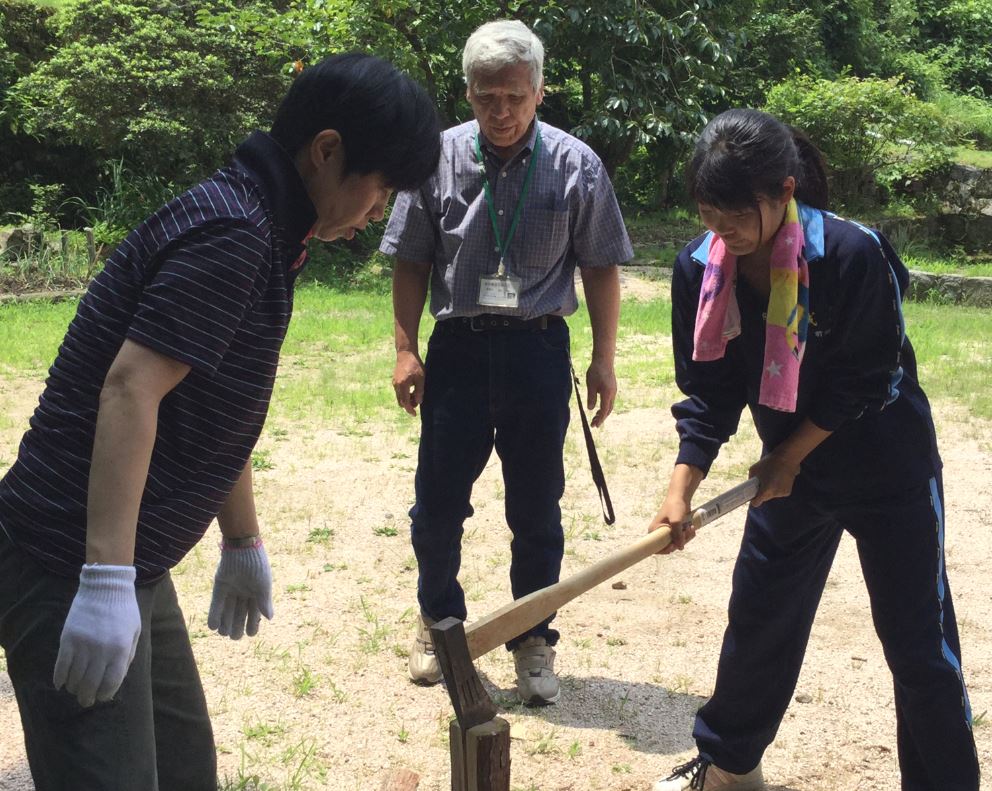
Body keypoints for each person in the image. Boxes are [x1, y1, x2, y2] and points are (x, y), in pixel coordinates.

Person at [0, 53, 440, 791]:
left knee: (184, 770)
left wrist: (241, 537)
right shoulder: (234, 232)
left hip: (132, 560)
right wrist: (104, 579)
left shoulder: (270, 229)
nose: (379, 211)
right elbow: (131, 389)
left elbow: (209, 404)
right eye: (382, 187)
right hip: (68, 561)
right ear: (325, 152)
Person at [649, 109, 980, 791]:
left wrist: (791, 454)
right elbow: (708, 390)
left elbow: (873, 375)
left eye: (737, 215)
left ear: (784, 191)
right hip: (787, 472)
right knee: (760, 616)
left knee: (919, 641)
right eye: (709, 215)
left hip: (888, 466)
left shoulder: (853, 254)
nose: (723, 233)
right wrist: (681, 483)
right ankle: (731, 766)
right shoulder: (698, 268)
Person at [380, 19, 632, 705]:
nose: (501, 111)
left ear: (540, 91)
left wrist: (604, 360)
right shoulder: (433, 158)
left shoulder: (577, 164)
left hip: (537, 350)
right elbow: (410, 258)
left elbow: (602, 267)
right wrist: (405, 348)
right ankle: (441, 624)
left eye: (515, 97)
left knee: (537, 508)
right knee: (436, 505)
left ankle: (533, 638)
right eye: (487, 96)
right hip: (458, 351)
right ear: (467, 93)